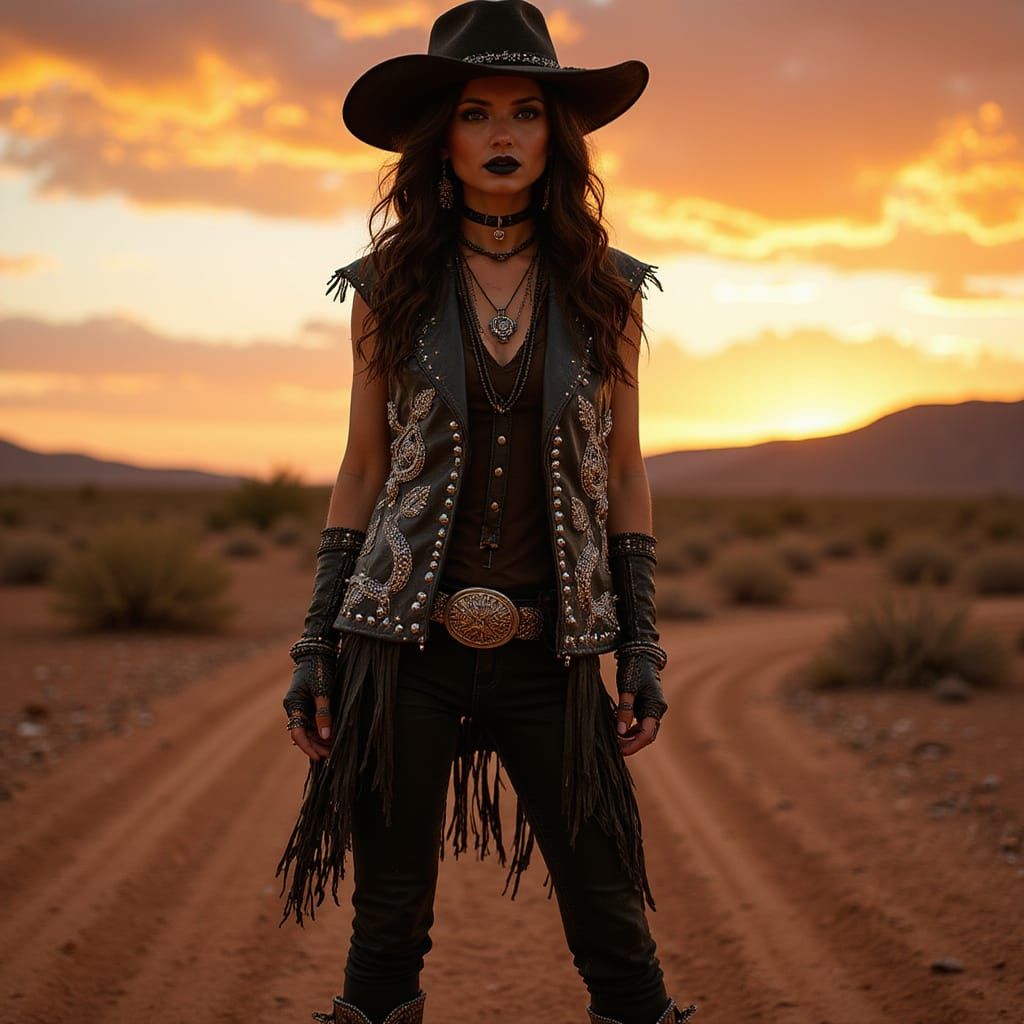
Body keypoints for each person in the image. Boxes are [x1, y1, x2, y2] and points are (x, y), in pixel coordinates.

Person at [275, 3, 698, 1023]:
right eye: (475, 113)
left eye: (524, 113)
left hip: (551, 650)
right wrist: (313, 644)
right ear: (444, 137)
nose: (502, 135)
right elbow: (362, 465)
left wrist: (640, 642)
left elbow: (626, 471)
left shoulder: (607, 289)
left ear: (557, 135)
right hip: (399, 644)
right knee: (387, 927)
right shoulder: (387, 284)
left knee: (611, 919)